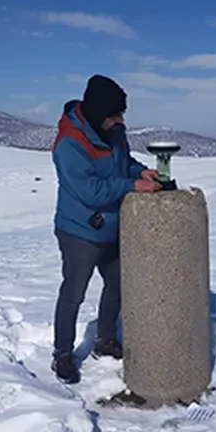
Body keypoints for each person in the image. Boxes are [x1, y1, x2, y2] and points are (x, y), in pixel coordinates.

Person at [49, 74, 162, 384]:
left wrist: (142, 172)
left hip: (112, 228)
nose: (121, 119)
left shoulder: (114, 131)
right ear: (100, 114)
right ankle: (62, 354)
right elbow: (91, 191)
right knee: (74, 293)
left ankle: (105, 340)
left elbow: (123, 162)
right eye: (116, 115)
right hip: (78, 232)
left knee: (118, 284)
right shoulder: (70, 143)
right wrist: (132, 185)